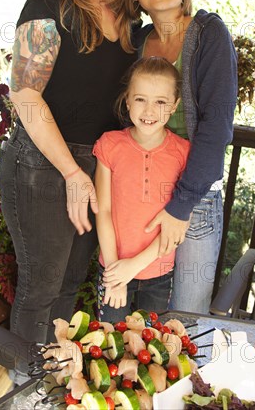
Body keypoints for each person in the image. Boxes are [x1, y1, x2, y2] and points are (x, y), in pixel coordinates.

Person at [0, 0, 135, 384]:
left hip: (95, 165)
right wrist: (73, 174)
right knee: (40, 288)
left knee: (71, 285)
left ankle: (53, 385)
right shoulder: (49, 2)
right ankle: (24, 390)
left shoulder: (129, 15)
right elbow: (26, 96)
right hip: (42, 164)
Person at [126, 0, 238, 314]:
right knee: (137, 313)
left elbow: (215, 127)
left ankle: (194, 377)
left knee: (187, 318)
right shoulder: (138, 41)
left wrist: (181, 206)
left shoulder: (209, 34)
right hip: (140, 192)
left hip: (195, 198)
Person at [94, 57, 190, 322]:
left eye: (160, 102)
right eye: (140, 99)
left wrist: (134, 266)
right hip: (113, 268)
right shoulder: (109, 145)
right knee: (109, 345)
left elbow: (179, 225)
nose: (149, 111)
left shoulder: (183, 153)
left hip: (158, 271)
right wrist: (115, 273)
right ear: (127, 100)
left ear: (174, 106)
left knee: (151, 348)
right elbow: (103, 210)